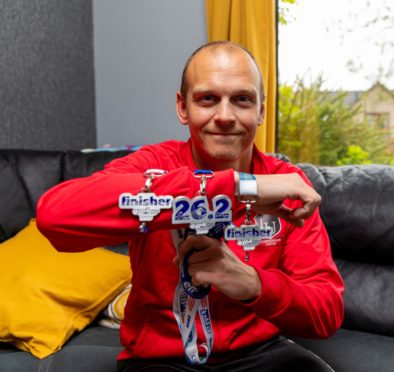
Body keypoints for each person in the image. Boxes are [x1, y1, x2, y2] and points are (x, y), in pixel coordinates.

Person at [37, 41, 344, 372]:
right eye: (207, 99)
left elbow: (325, 312)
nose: (224, 116)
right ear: (183, 108)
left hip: (260, 352)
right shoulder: (153, 166)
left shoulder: (287, 182)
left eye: (242, 99)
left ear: (261, 111)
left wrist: (253, 283)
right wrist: (238, 187)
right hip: (162, 358)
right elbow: (55, 216)